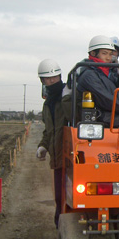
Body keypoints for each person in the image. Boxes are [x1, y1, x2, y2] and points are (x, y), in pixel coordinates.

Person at [36, 59, 67, 228]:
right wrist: (43, 145)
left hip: (70, 157)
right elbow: (49, 131)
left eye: (55, 77)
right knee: (59, 197)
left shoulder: (68, 96)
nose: (52, 81)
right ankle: (61, 229)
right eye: (48, 78)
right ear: (42, 81)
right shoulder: (47, 104)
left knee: (70, 197)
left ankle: (68, 229)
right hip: (57, 158)